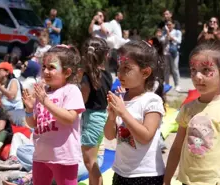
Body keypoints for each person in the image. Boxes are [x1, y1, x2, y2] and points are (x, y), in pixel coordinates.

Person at [163, 43, 220, 185]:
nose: (197, 76)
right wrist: (167, 180)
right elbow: (176, 147)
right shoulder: (187, 109)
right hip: (186, 181)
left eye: (206, 70)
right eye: (193, 70)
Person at [104, 40, 166, 185]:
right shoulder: (121, 98)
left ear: (145, 72)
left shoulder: (152, 101)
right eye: (119, 68)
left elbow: (145, 136)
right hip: (120, 171)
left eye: (127, 68)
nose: (120, 73)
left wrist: (123, 112)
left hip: (146, 174)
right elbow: (109, 135)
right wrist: (112, 117)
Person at [22, 45, 85, 185]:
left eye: (51, 67)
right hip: (41, 154)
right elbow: (33, 123)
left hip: (64, 156)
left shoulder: (71, 90)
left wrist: (46, 101)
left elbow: (69, 118)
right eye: (44, 66)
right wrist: (29, 109)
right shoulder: (42, 92)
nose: (45, 71)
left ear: (67, 72)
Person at [79, 37, 112, 185]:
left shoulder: (88, 77)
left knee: (90, 162)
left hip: (91, 119)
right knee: (93, 161)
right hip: (101, 117)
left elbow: (82, 101)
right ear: (106, 55)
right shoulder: (107, 75)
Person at [160, 20, 182, 92]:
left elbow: (179, 41)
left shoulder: (177, 32)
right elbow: (161, 40)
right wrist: (167, 35)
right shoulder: (164, 32)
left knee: (175, 69)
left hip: (174, 53)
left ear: (173, 25)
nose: (169, 26)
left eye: (170, 24)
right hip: (166, 53)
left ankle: (177, 85)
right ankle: (166, 85)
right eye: (167, 24)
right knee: (166, 70)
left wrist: (171, 37)